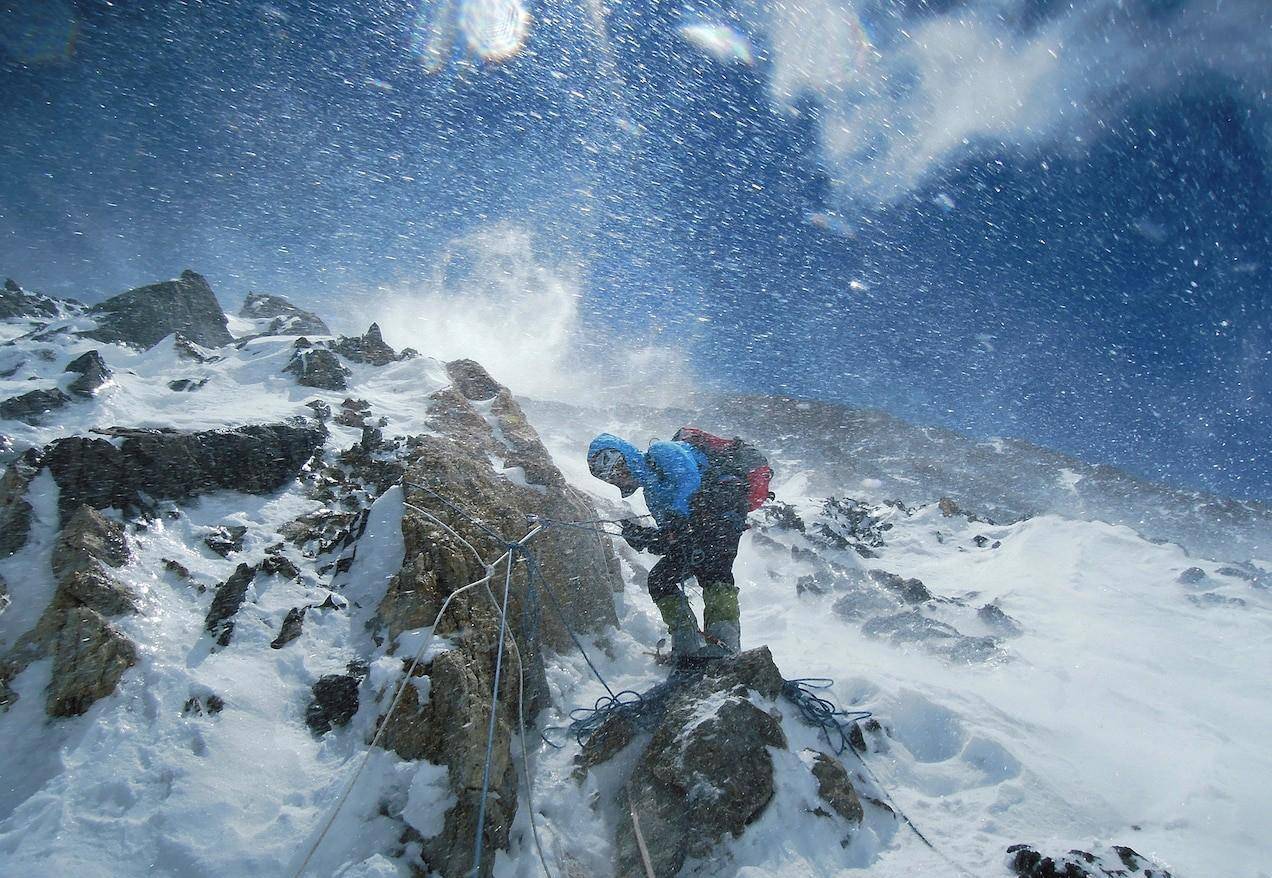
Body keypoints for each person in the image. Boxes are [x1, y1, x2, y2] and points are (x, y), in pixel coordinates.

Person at [587, 432, 749, 664]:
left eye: (620, 469)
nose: (620, 478)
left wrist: (676, 521)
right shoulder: (652, 494)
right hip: (702, 524)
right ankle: (687, 646)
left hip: (722, 511)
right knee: (660, 580)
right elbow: (673, 538)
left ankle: (725, 647)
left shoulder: (662, 451)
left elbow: (689, 479)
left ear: (628, 456)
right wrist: (646, 538)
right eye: (613, 478)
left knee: (714, 573)